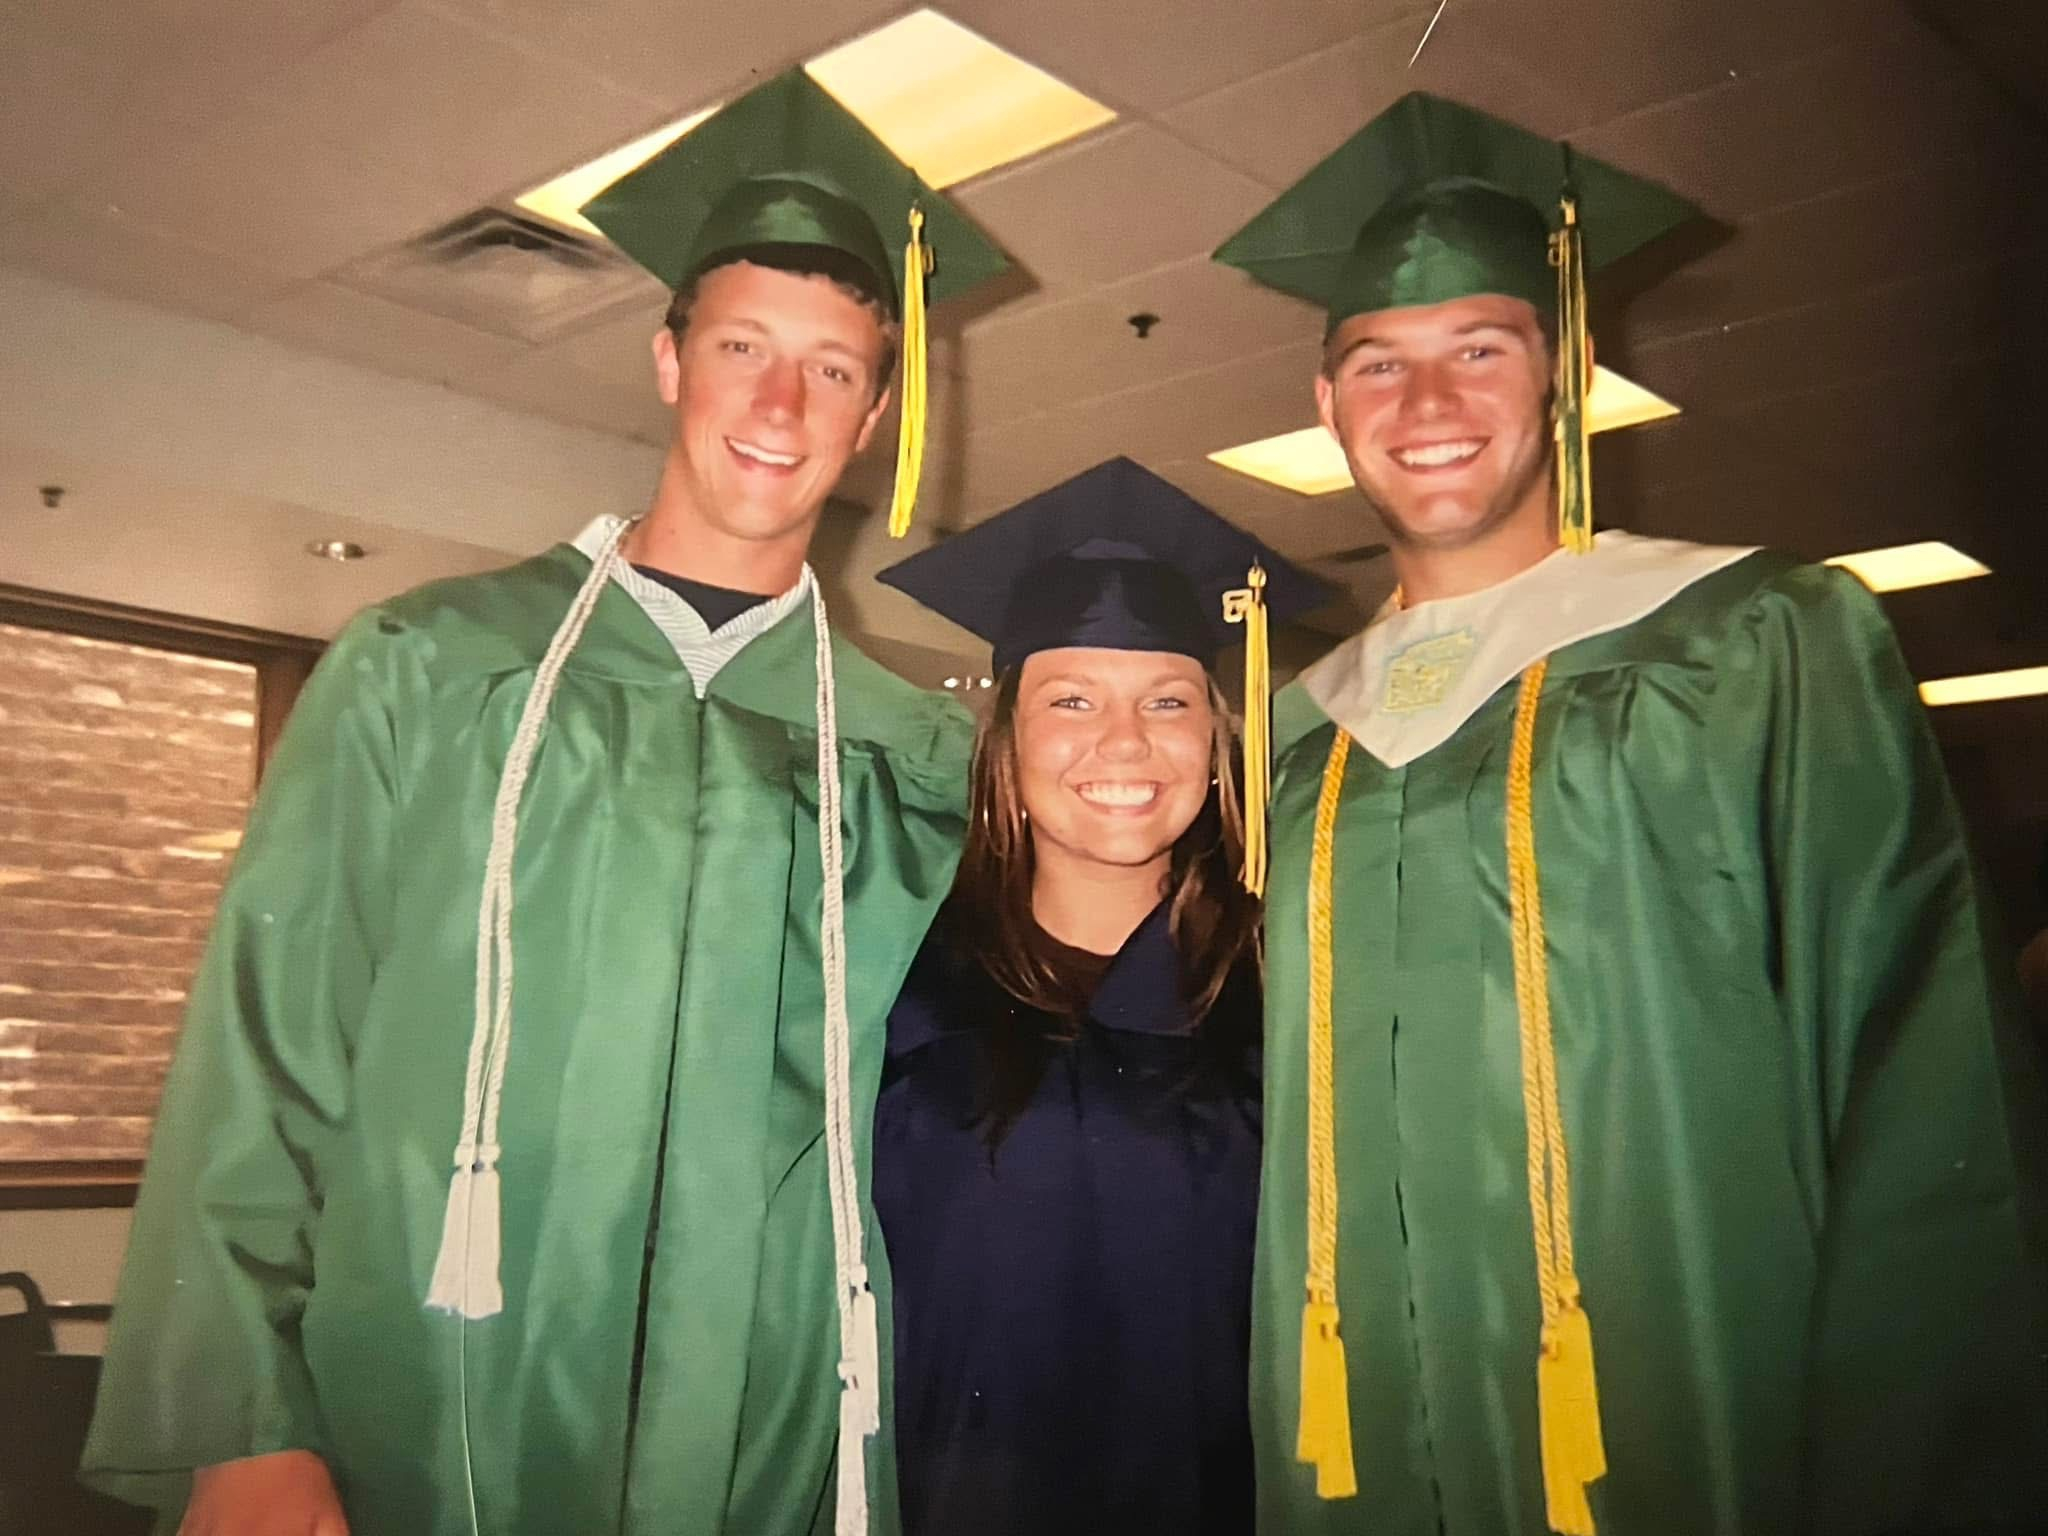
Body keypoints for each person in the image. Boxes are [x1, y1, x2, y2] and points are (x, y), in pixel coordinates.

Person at [82, 69, 1009, 1536]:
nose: (780, 402)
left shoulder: (913, 754)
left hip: (772, 1420)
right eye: (743, 347)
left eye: (832, 368)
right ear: (667, 360)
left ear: (877, 409)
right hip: (431, 1388)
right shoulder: (430, 669)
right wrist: (243, 1424)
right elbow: (268, 1047)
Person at [1212, 92, 2048, 1535]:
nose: (1427, 406)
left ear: (1571, 369)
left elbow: (1927, 1085)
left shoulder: (1758, 644)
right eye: (1377, 364)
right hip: (1354, 1450)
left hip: (1699, 1417)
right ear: (1324, 404)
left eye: (1482, 348)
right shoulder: (1293, 733)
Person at [865, 458, 1326, 1535]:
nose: (1124, 743)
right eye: (1070, 700)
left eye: (1167, 702)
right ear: (1007, 741)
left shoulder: (1296, 982)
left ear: (1216, 744)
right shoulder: (892, 980)